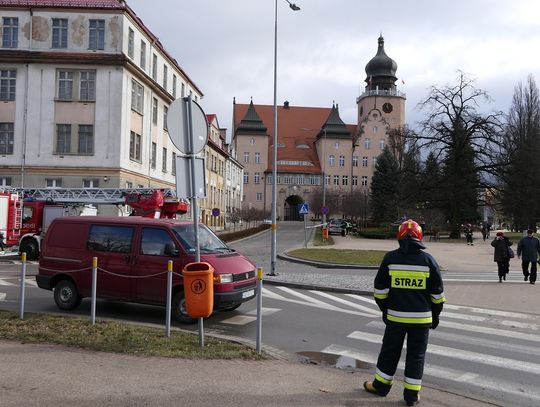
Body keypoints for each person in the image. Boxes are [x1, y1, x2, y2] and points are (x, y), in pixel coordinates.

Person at [363, 219, 446, 407]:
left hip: (395, 318)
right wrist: (435, 315)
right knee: (416, 355)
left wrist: (386, 310)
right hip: (422, 319)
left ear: (399, 237)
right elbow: (437, 295)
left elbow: (380, 292)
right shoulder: (429, 261)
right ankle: (411, 395)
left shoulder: (390, 259)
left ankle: (381, 386)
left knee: (389, 352)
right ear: (420, 237)